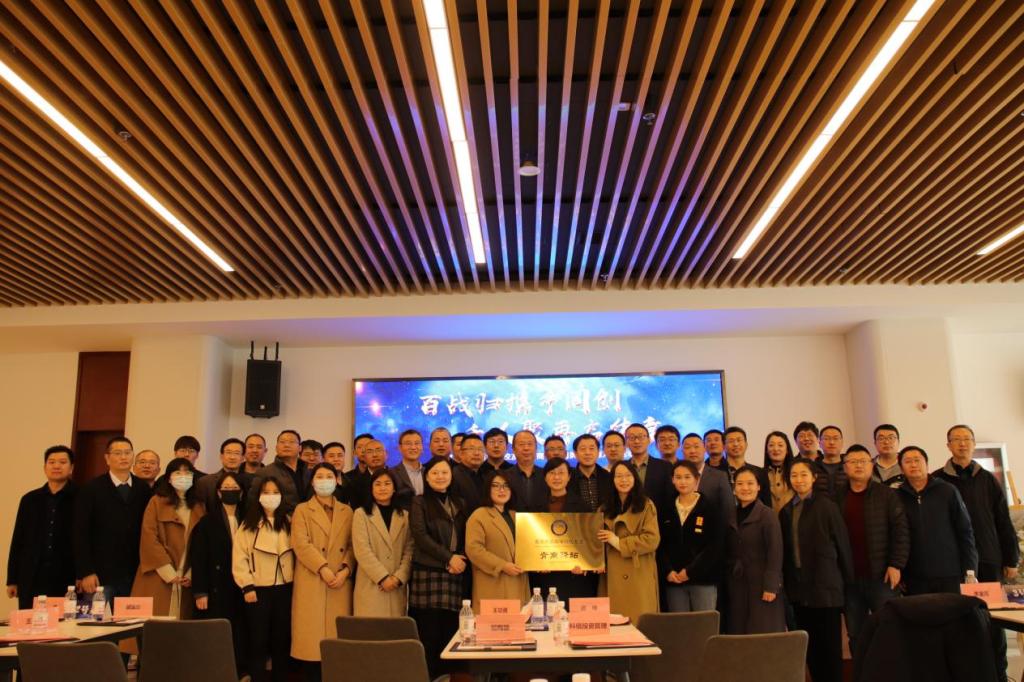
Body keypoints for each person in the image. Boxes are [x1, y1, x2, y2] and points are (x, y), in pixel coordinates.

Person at [935, 424, 1018, 682]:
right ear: (948, 445)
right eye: (956, 439)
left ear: (973, 444)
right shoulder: (937, 480)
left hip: (989, 559)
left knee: (993, 619)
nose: (962, 444)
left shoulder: (988, 479)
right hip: (954, 564)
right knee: (960, 620)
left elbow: (1003, 520)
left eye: (966, 439)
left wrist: (1011, 558)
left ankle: (999, 674)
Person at [780, 459, 853, 682]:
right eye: (794, 475)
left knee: (829, 648)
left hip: (826, 587)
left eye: (803, 474)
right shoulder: (786, 511)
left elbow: (843, 545)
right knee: (810, 647)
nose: (799, 479)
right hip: (799, 590)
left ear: (813, 477)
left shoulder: (827, 506)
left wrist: (847, 583)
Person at [835, 444, 909, 654]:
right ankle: (861, 670)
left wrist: (896, 564)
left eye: (863, 461)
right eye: (853, 462)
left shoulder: (886, 495)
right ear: (845, 467)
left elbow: (901, 531)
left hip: (882, 577)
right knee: (856, 634)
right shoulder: (836, 497)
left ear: (871, 465)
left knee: (889, 630)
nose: (858, 466)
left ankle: (890, 671)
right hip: (849, 580)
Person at [291, 463, 354, 681]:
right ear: (312, 481)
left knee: (337, 646)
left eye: (329, 476)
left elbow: (353, 545)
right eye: (320, 476)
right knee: (312, 645)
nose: (324, 480)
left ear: (337, 480)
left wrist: (346, 570)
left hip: (340, 581)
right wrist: (322, 567)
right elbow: (300, 543)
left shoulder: (347, 511)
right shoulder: (302, 510)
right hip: (313, 578)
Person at [409, 457, 469, 678]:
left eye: (445, 472)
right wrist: (448, 558)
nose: (440, 476)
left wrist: (458, 559)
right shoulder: (419, 502)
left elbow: (466, 535)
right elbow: (420, 536)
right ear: (427, 477)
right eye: (435, 472)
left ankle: (447, 678)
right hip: (428, 574)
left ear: (451, 476)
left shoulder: (460, 502)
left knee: (450, 634)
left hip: (455, 575)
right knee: (429, 635)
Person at [74, 436, 153, 603]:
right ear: (107, 458)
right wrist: (86, 571)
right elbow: (80, 533)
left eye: (127, 453)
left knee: (133, 618)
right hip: (100, 574)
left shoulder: (143, 489)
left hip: (135, 574)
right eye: (117, 453)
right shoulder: (92, 488)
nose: (123, 457)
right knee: (97, 618)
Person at [233, 478, 294, 682]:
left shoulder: (288, 521)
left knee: (281, 640)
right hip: (257, 589)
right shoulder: (249, 524)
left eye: (275, 492)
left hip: (285, 588)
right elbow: (239, 557)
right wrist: (247, 586)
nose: (271, 496)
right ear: (258, 496)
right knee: (258, 640)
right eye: (266, 492)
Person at [897, 445, 977, 594]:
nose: (913, 465)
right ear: (901, 468)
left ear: (927, 464)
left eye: (917, 460)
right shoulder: (896, 497)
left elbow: (965, 531)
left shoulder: (947, 490)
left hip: (950, 573)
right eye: (907, 461)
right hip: (914, 577)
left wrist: (970, 569)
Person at [131, 457, 205, 618]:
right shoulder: (157, 502)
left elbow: (204, 544)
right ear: (169, 478)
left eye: (187, 473)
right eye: (178, 473)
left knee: (182, 624)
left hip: (187, 577)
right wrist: (168, 572)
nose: (183, 476)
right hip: (159, 573)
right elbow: (149, 537)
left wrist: (192, 573)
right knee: (154, 622)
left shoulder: (200, 506)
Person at [191, 472, 248, 678]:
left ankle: (240, 672)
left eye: (234, 488)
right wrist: (200, 592)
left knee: (241, 633)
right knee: (218, 633)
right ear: (218, 492)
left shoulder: (249, 520)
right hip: (217, 586)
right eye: (226, 488)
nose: (230, 491)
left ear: (241, 493)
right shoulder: (207, 522)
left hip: (243, 586)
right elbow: (198, 558)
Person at [7, 445, 78, 609]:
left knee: (65, 621)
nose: (56, 466)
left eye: (62, 462)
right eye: (51, 462)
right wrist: (12, 579)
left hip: (67, 575)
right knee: (29, 620)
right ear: (44, 467)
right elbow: (18, 540)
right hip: (31, 575)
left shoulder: (81, 497)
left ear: (71, 468)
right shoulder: (29, 499)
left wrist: (83, 574)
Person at [658, 461, 725, 612]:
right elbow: (660, 545)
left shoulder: (710, 508)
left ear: (696, 479)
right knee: (679, 624)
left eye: (687, 477)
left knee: (704, 624)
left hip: (703, 580)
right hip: (674, 580)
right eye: (678, 477)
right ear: (672, 480)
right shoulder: (665, 509)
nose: (683, 482)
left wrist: (690, 572)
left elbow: (715, 547)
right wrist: (668, 571)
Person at [530, 457, 599, 602]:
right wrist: (534, 562)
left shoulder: (582, 507)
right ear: (545, 477)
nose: (556, 477)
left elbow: (590, 541)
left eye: (561, 473)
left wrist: (585, 563)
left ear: (569, 477)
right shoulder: (533, 507)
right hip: (544, 576)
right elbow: (529, 540)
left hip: (573, 576)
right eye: (552, 473)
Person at [600, 461, 660, 625]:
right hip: (611, 576)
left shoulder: (646, 505)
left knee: (639, 623)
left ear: (635, 478)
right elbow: (595, 542)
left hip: (638, 574)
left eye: (628, 475)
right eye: (618, 476)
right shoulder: (604, 508)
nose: (623, 480)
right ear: (612, 480)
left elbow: (652, 540)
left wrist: (618, 542)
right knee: (615, 627)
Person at [726, 466, 785, 634]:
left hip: (761, 584)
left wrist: (771, 586)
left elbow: (775, 552)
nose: (745, 488)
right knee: (739, 631)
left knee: (762, 631)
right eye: (740, 484)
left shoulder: (767, 515)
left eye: (750, 483)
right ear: (734, 488)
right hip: (737, 583)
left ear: (758, 487)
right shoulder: (730, 514)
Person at [351, 469, 414, 616]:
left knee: (395, 628)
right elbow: (362, 550)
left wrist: (399, 577)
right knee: (370, 628)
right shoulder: (361, 514)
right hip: (371, 584)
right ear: (371, 488)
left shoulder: (405, 516)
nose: (382, 488)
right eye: (378, 484)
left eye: (387, 484)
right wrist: (383, 577)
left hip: (396, 587)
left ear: (394, 488)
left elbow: (409, 549)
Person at [465, 469, 529, 610]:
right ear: (487, 489)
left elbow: (529, 547)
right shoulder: (479, 515)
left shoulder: (515, 515)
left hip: (518, 582)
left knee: (519, 621)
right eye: (496, 486)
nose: (502, 490)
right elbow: (474, 550)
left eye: (506, 486)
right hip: (493, 583)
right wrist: (502, 565)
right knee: (495, 622)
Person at [251, 430, 311, 507]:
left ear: (300, 448)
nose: (286, 445)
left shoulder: (308, 471)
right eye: (282, 442)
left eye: (292, 442)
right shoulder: (264, 472)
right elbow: (253, 501)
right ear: (276, 448)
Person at [624, 422, 674, 515]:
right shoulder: (621, 468)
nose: (637, 441)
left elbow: (670, 498)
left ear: (649, 440)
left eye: (641, 437)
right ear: (626, 443)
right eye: (632, 437)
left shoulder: (665, 467)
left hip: (657, 519)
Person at [195, 438, 252, 512]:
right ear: (221, 456)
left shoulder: (250, 482)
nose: (232, 457)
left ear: (243, 458)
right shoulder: (205, 482)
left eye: (236, 453)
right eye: (228, 452)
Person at [723, 427, 770, 505]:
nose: (736, 444)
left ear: (746, 444)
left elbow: (767, 503)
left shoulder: (760, 472)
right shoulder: (716, 473)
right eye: (731, 441)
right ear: (724, 446)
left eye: (739, 440)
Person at [508, 430, 548, 513]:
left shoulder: (546, 475)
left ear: (536, 449)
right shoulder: (505, 476)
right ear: (513, 449)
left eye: (530, 444)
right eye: (521, 444)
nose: (526, 448)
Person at [571, 434, 611, 512]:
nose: (587, 453)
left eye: (591, 448)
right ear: (575, 454)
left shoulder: (608, 477)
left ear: (598, 452)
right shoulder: (568, 478)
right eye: (583, 449)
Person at [348, 439, 389, 510]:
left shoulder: (396, 478)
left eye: (378, 450)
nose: (375, 455)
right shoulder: (355, 484)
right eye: (370, 452)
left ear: (386, 454)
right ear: (364, 458)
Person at [451, 434, 487, 511]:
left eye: (480, 449)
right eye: (471, 449)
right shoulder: (453, 475)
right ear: (461, 454)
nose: (477, 453)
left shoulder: (487, 475)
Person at [762, 431, 794, 513]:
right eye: (771, 445)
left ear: (787, 450)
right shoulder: (761, 474)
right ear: (766, 450)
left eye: (780, 445)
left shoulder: (795, 473)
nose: (776, 449)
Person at [391, 429, 425, 505]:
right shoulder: (391, 473)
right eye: (408, 444)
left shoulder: (429, 472)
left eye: (417, 443)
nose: (413, 447)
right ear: (400, 448)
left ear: (422, 447)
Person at [819, 426, 847, 498]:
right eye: (826, 438)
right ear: (819, 443)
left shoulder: (849, 466)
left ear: (842, 443)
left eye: (836, 438)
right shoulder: (813, 468)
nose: (831, 442)